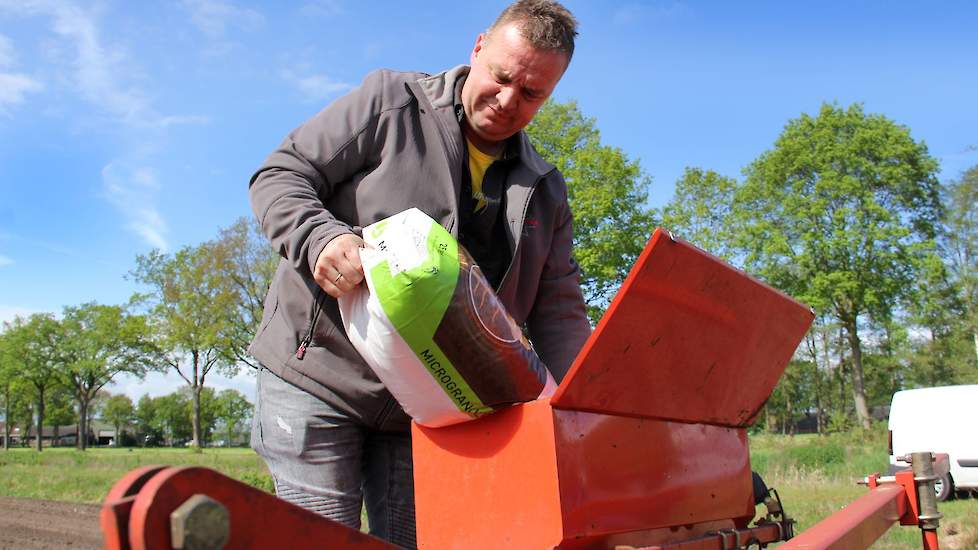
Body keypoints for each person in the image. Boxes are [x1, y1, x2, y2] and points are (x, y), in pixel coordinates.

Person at [247, 1, 591, 547]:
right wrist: (321, 237)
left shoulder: (546, 191)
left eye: (532, 94)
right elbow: (281, 175)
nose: (507, 102)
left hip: (429, 413)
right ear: (479, 48)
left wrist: (586, 407)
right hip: (319, 378)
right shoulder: (390, 103)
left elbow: (559, 313)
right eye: (501, 77)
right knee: (321, 538)